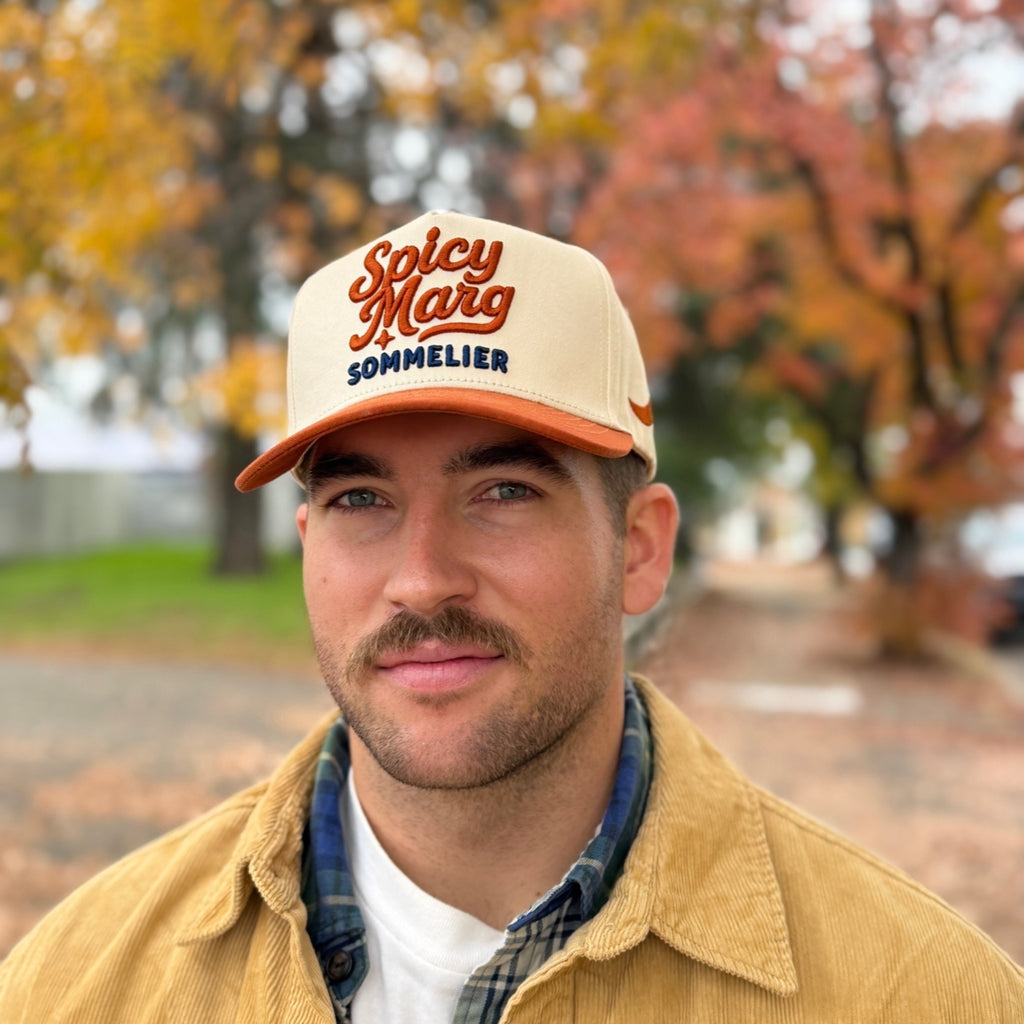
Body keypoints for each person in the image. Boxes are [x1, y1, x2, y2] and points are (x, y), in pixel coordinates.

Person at [1, 211, 1021, 1023]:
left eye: (502, 491)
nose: (422, 579)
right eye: (362, 500)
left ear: (639, 548)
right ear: (306, 541)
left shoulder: (925, 996)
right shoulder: (76, 987)